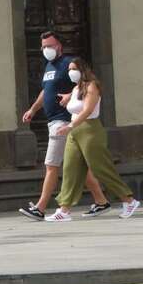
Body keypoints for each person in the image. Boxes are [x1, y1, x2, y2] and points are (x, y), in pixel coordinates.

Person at [18, 31, 112, 221]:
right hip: (52, 120)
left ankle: (40, 207)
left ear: (59, 45)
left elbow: (85, 82)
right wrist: (33, 109)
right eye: (44, 46)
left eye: (50, 45)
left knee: (51, 165)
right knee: (77, 167)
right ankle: (101, 201)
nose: (47, 49)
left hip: (64, 121)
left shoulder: (69, 64)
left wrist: (71, 95)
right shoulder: (49, 66)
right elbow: (46, 91)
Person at [46, 57, 141, 221]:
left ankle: (129, 200)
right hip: (74, 132)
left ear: (83, 69)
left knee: (100, 168)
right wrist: (68, 98)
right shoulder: (77, 88)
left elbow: (88, 110)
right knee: (70, 169)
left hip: (90, 131)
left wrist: (70, 125)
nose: (71, 73)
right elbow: (76, 103)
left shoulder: (92, 86)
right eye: (69, 70)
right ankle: (64, 210)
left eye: (74, 69)